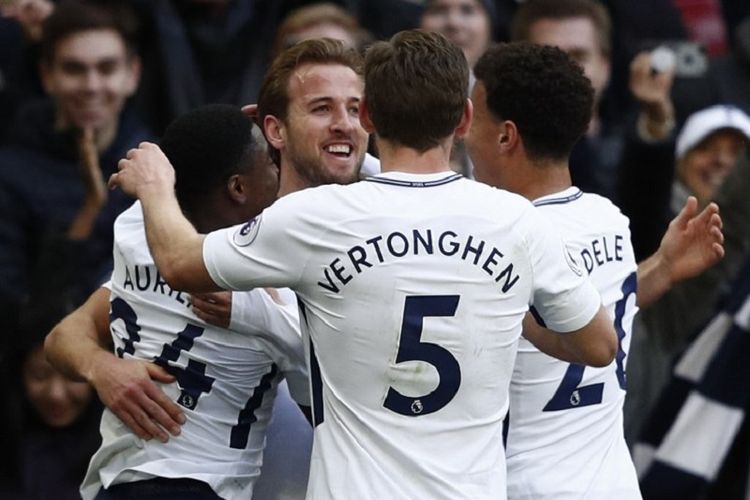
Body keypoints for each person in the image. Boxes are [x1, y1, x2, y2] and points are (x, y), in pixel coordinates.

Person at [110, 29, 618, 499]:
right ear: (463, 120)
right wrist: (512, 315)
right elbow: (598, 347)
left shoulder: (318, 217)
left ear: (370, 117)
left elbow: (177, 261)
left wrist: (156, 185)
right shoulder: (517, 222)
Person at [466, 41, 723, 499]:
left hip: (524, 485)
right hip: (612, 486)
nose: (464, 135)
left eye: (472, 120)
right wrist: (661, 266)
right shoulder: (606, 219)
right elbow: (598, 307)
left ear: (506, 136)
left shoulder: (498, 239)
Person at [45, 104, 310, 499]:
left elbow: (195, 165)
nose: (278, 171)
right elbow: (62, 338)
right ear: (237, 187)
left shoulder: (138, 227)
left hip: (140, 485)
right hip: (176, 484)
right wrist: (102, 368)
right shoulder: (271, 282)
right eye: (269, 163)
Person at [0, 0, 150, 344]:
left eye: (107, 68)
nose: (92, 85)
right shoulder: (8, 174)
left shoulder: (161, 167)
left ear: (133, 75)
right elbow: (13, 307)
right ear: (47, 76)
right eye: (74, 69)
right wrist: (87, 216)